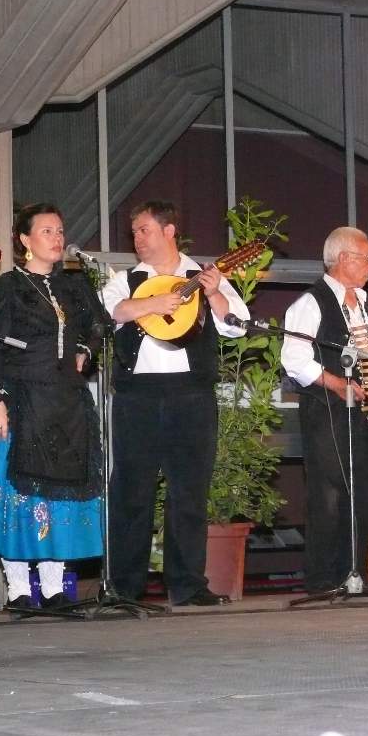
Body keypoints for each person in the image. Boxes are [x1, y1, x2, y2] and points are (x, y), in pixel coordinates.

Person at [0, 203, 103, 609]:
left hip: (65, 402)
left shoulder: (75, 287)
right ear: (25, 239)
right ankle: (17, 588)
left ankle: (53, 587)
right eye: (47, 231)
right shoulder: (4, 289)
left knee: (59, 493)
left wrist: (85, 350)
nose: (57, 238)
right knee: (17, 496)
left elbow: (98, 325)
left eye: (60, 230)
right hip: (18, 397)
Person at [102, 200, 249, 606]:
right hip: (137, 397)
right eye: (134, 232)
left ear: (169, 231)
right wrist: (152, 304)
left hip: (192, 395)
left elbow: (236, 325)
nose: (137, 238)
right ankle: (125, 588)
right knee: (131, 492)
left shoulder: (203, 276)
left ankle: (187, 586)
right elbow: (110, 311)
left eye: (144, 230)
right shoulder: (128, 279)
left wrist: (215, 294)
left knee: (189, 492)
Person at [281, 226, 368, 593]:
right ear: (344, 258)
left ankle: (355, 576)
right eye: (367, 258)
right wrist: (336, 383)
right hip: (326, 414)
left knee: (361, 494)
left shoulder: (363, 307)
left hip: (362, 414)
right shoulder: (310, 303)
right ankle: (322, 580)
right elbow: (294, 359)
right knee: (328, 495)